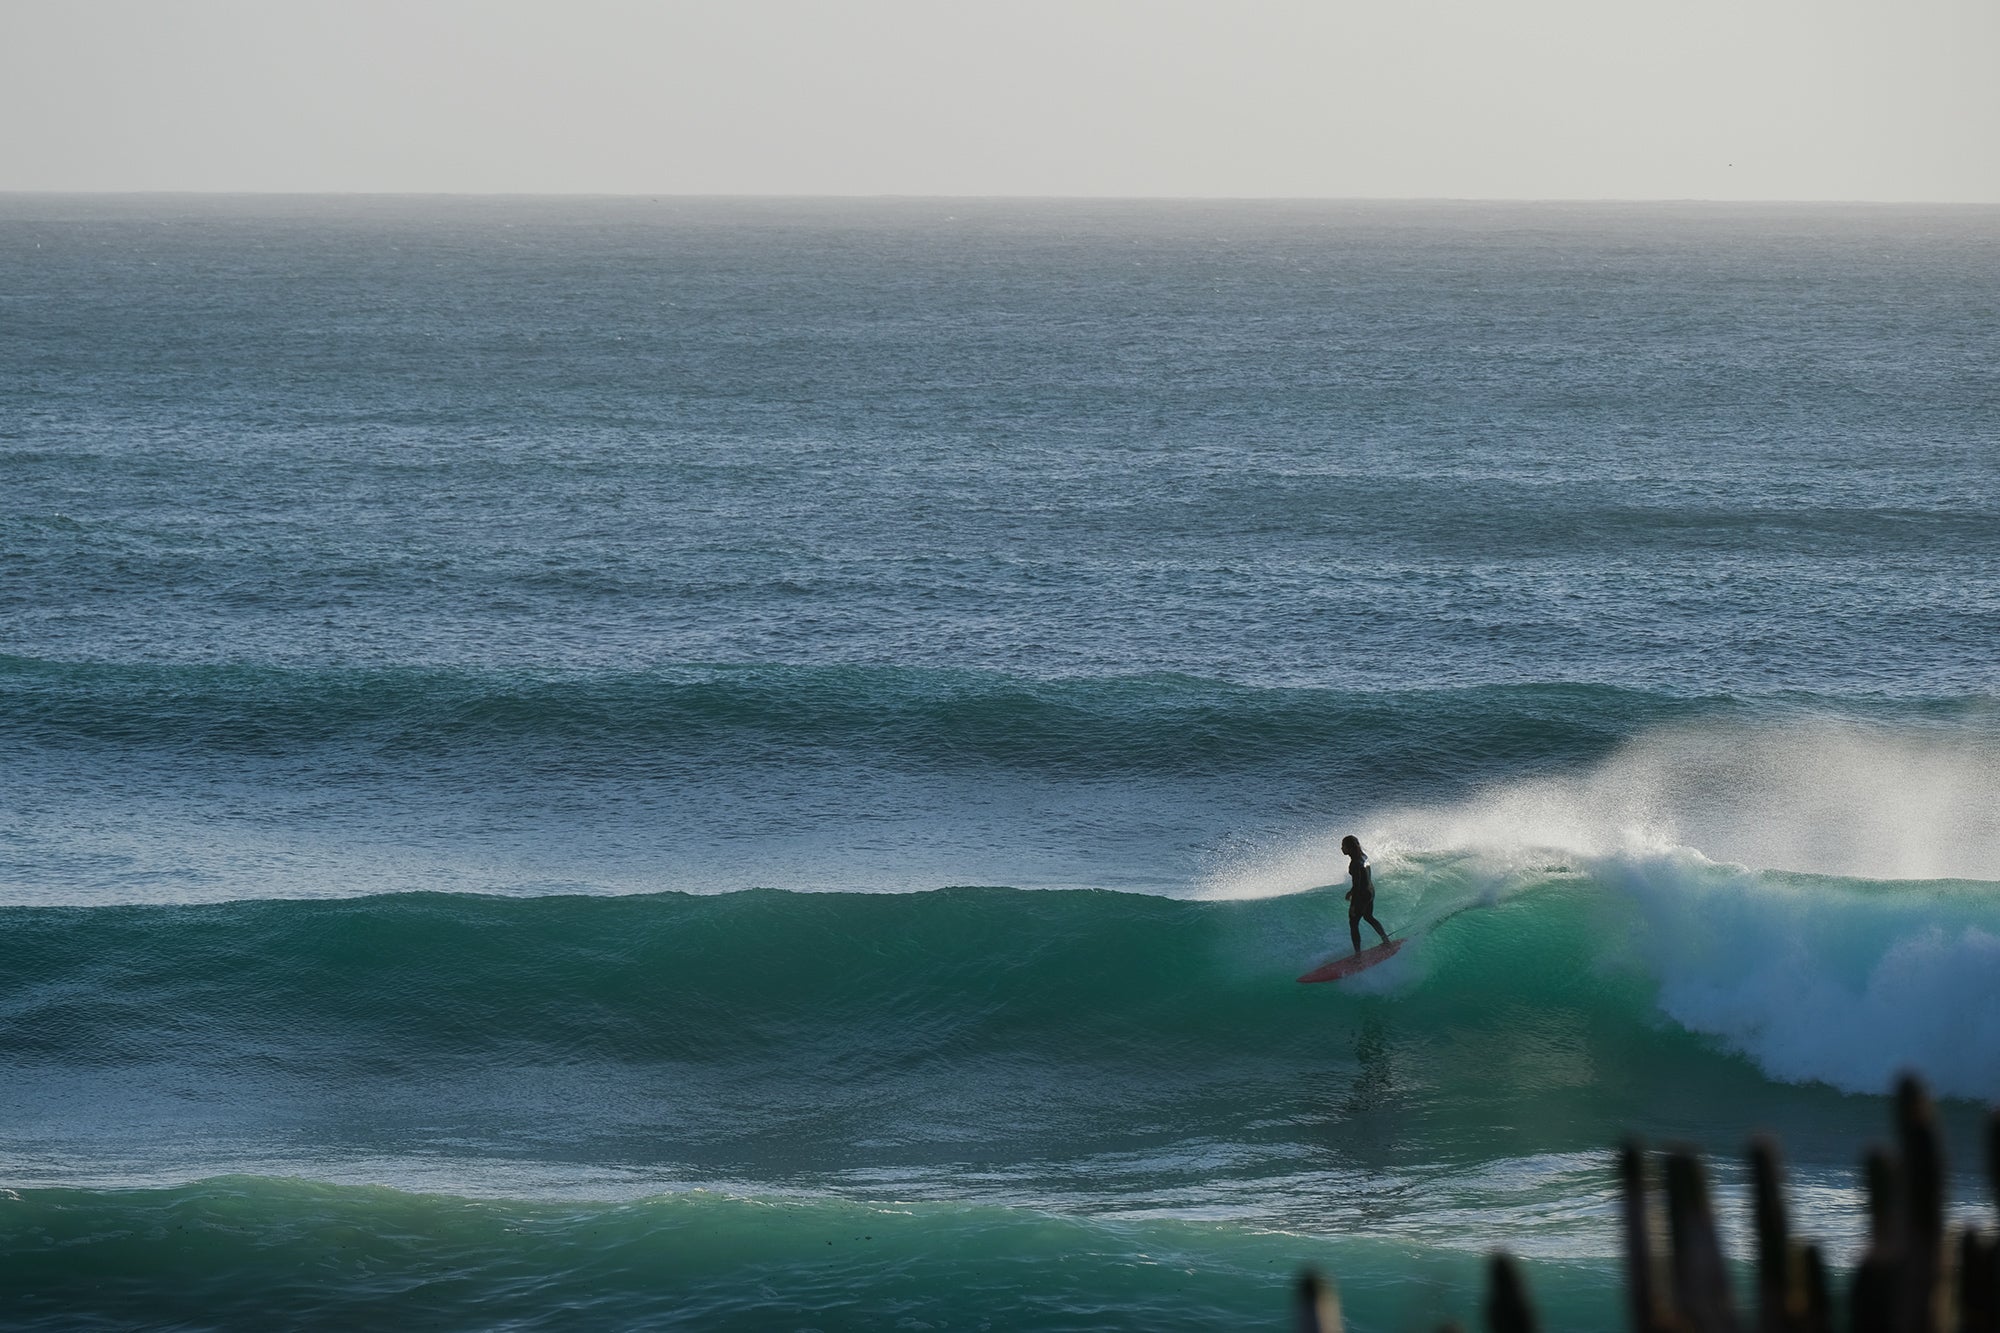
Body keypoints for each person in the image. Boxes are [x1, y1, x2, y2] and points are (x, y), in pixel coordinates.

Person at [1341, 834, 1390, 954]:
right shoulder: (1364, 857)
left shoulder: (1354, 863)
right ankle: (1386, 940)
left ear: (1349, 848)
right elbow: (1363, 878)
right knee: (1368, 917)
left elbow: (1357, 885)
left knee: (1353, 923)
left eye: (1343, 846)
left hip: (1362, 894)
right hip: (1370, 891)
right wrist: (1351, 892)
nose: (1341, 848)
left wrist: (1353, 905)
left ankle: (1358, 954)